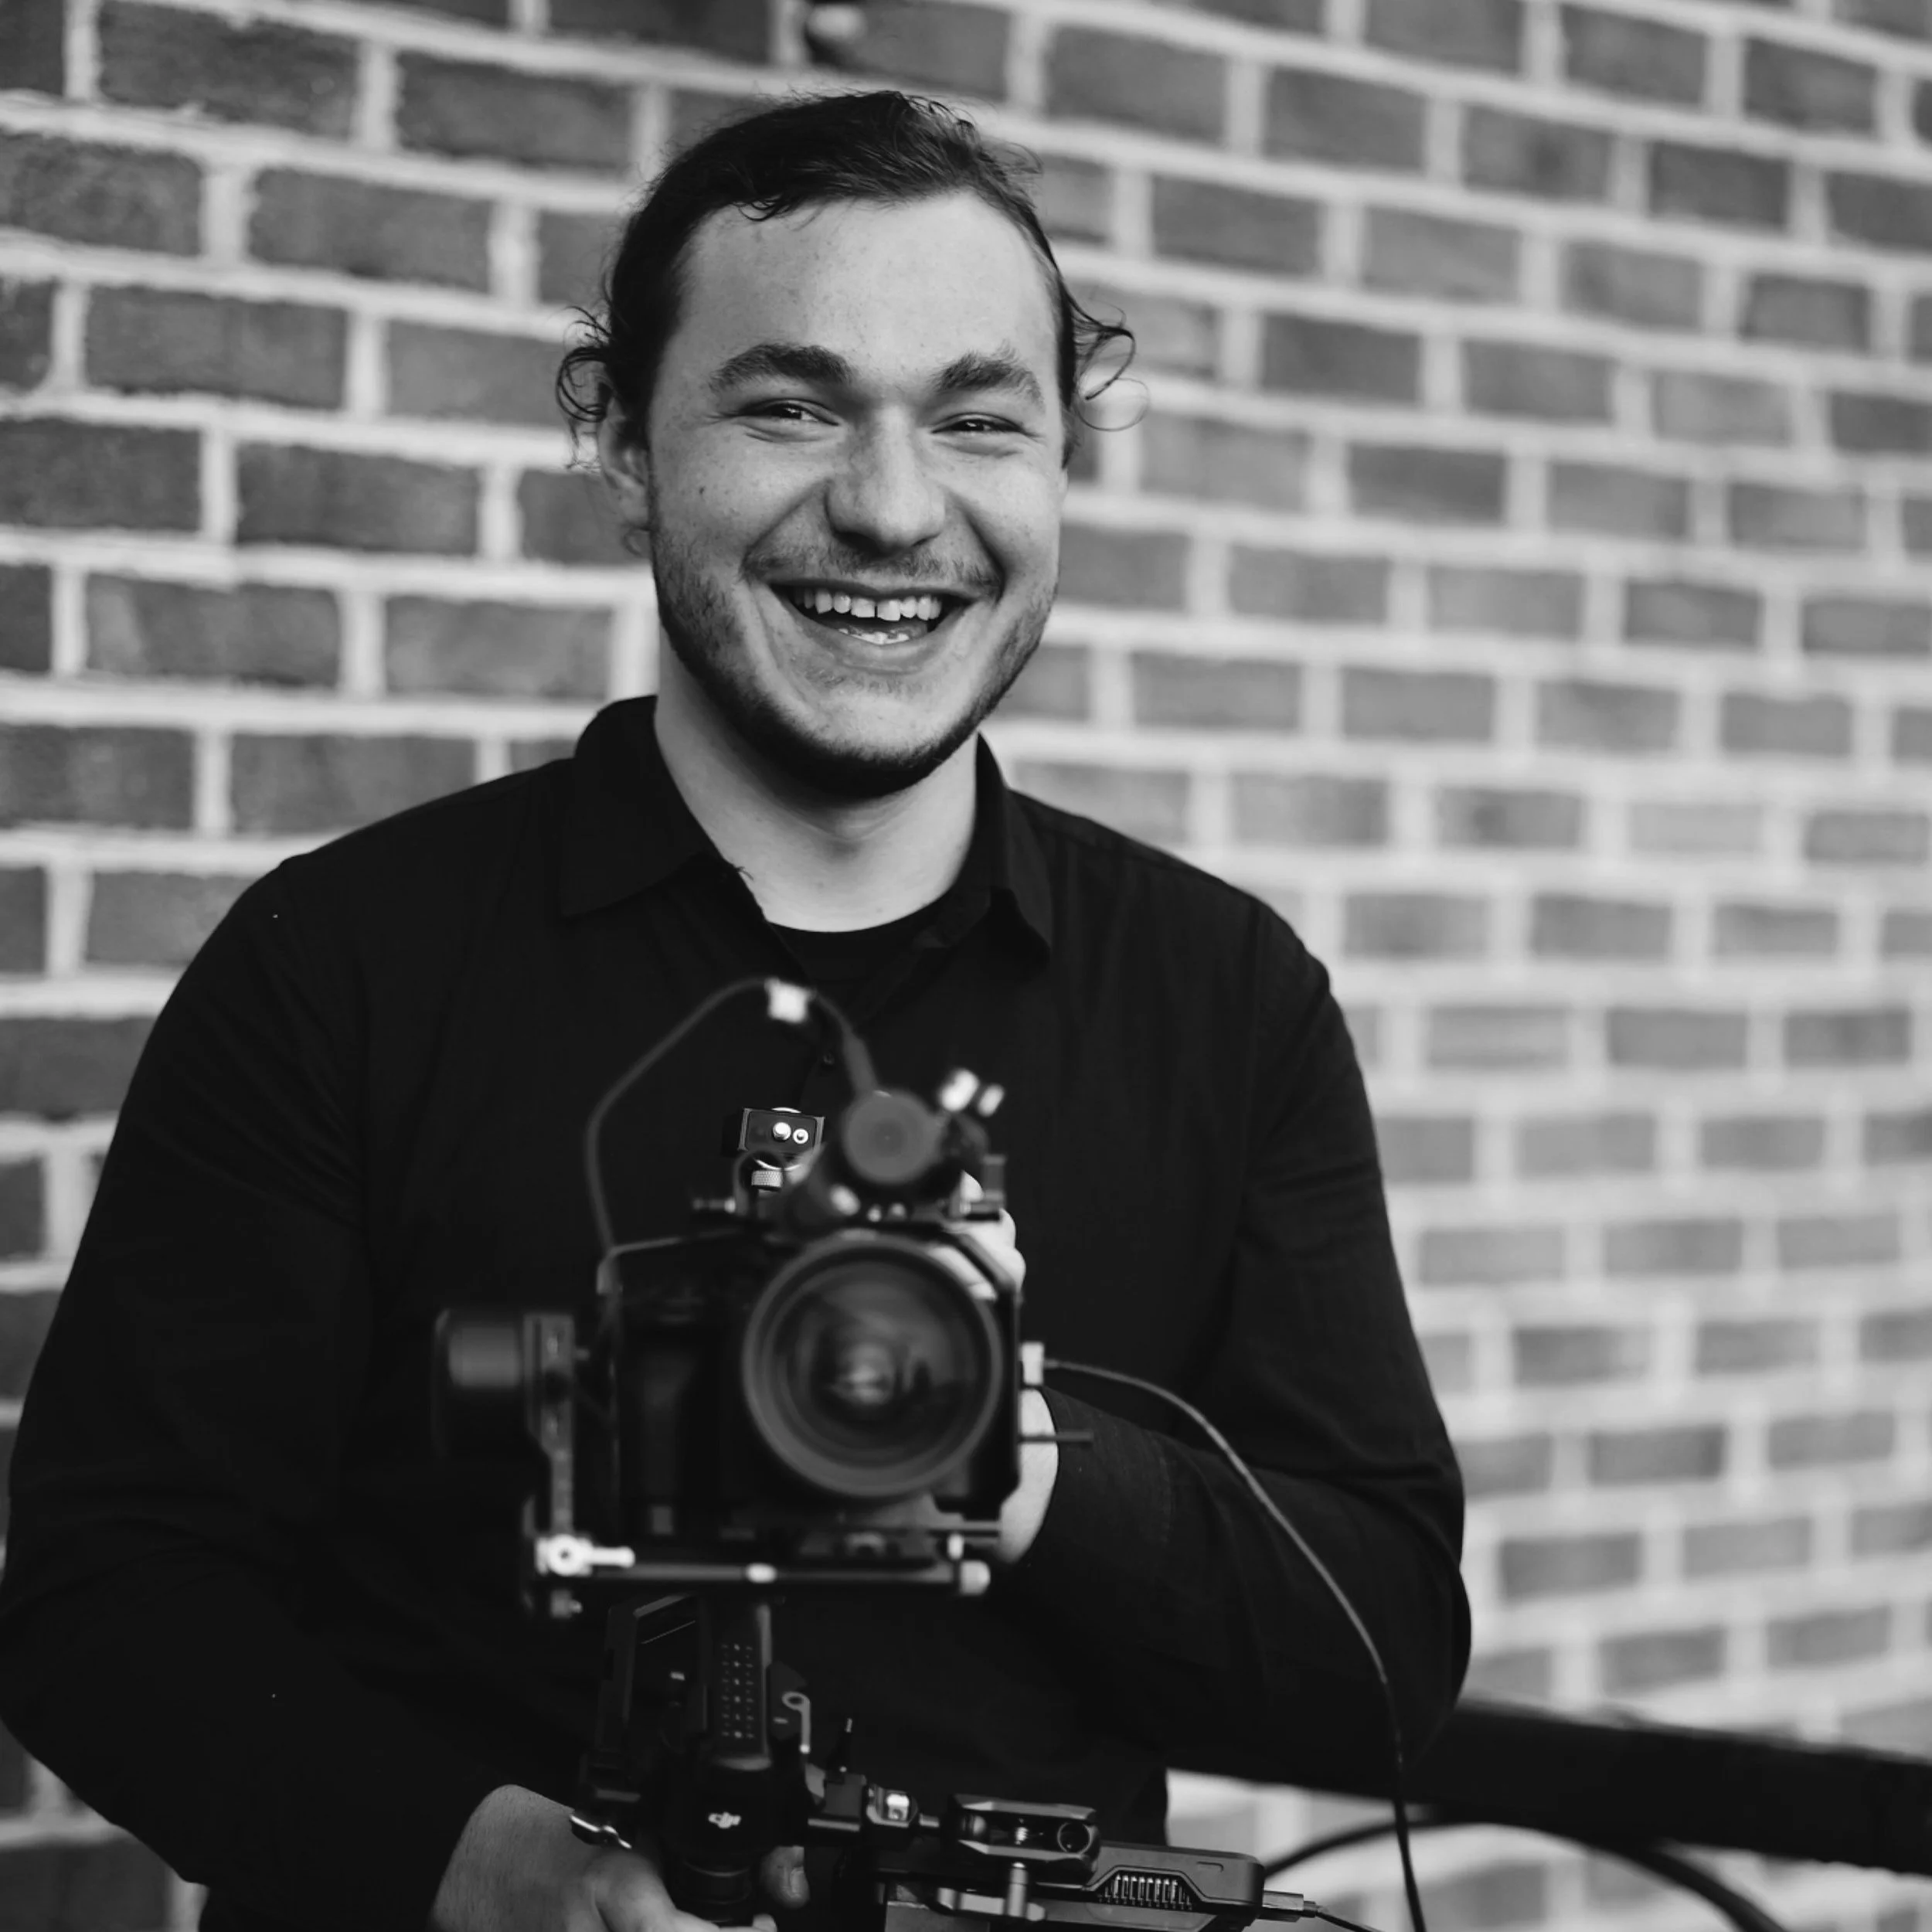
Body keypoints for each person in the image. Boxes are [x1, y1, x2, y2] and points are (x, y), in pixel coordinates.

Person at [0, 91, 1468, 1932]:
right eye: (788, 406)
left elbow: (1383, 1648)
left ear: (1066, 456)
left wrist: (1006, 1464)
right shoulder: (340, 964)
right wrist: (474, 1864)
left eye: (976, 415)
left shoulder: (1226, 998)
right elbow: (104, 1600)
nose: (890, 502)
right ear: (617, 438)